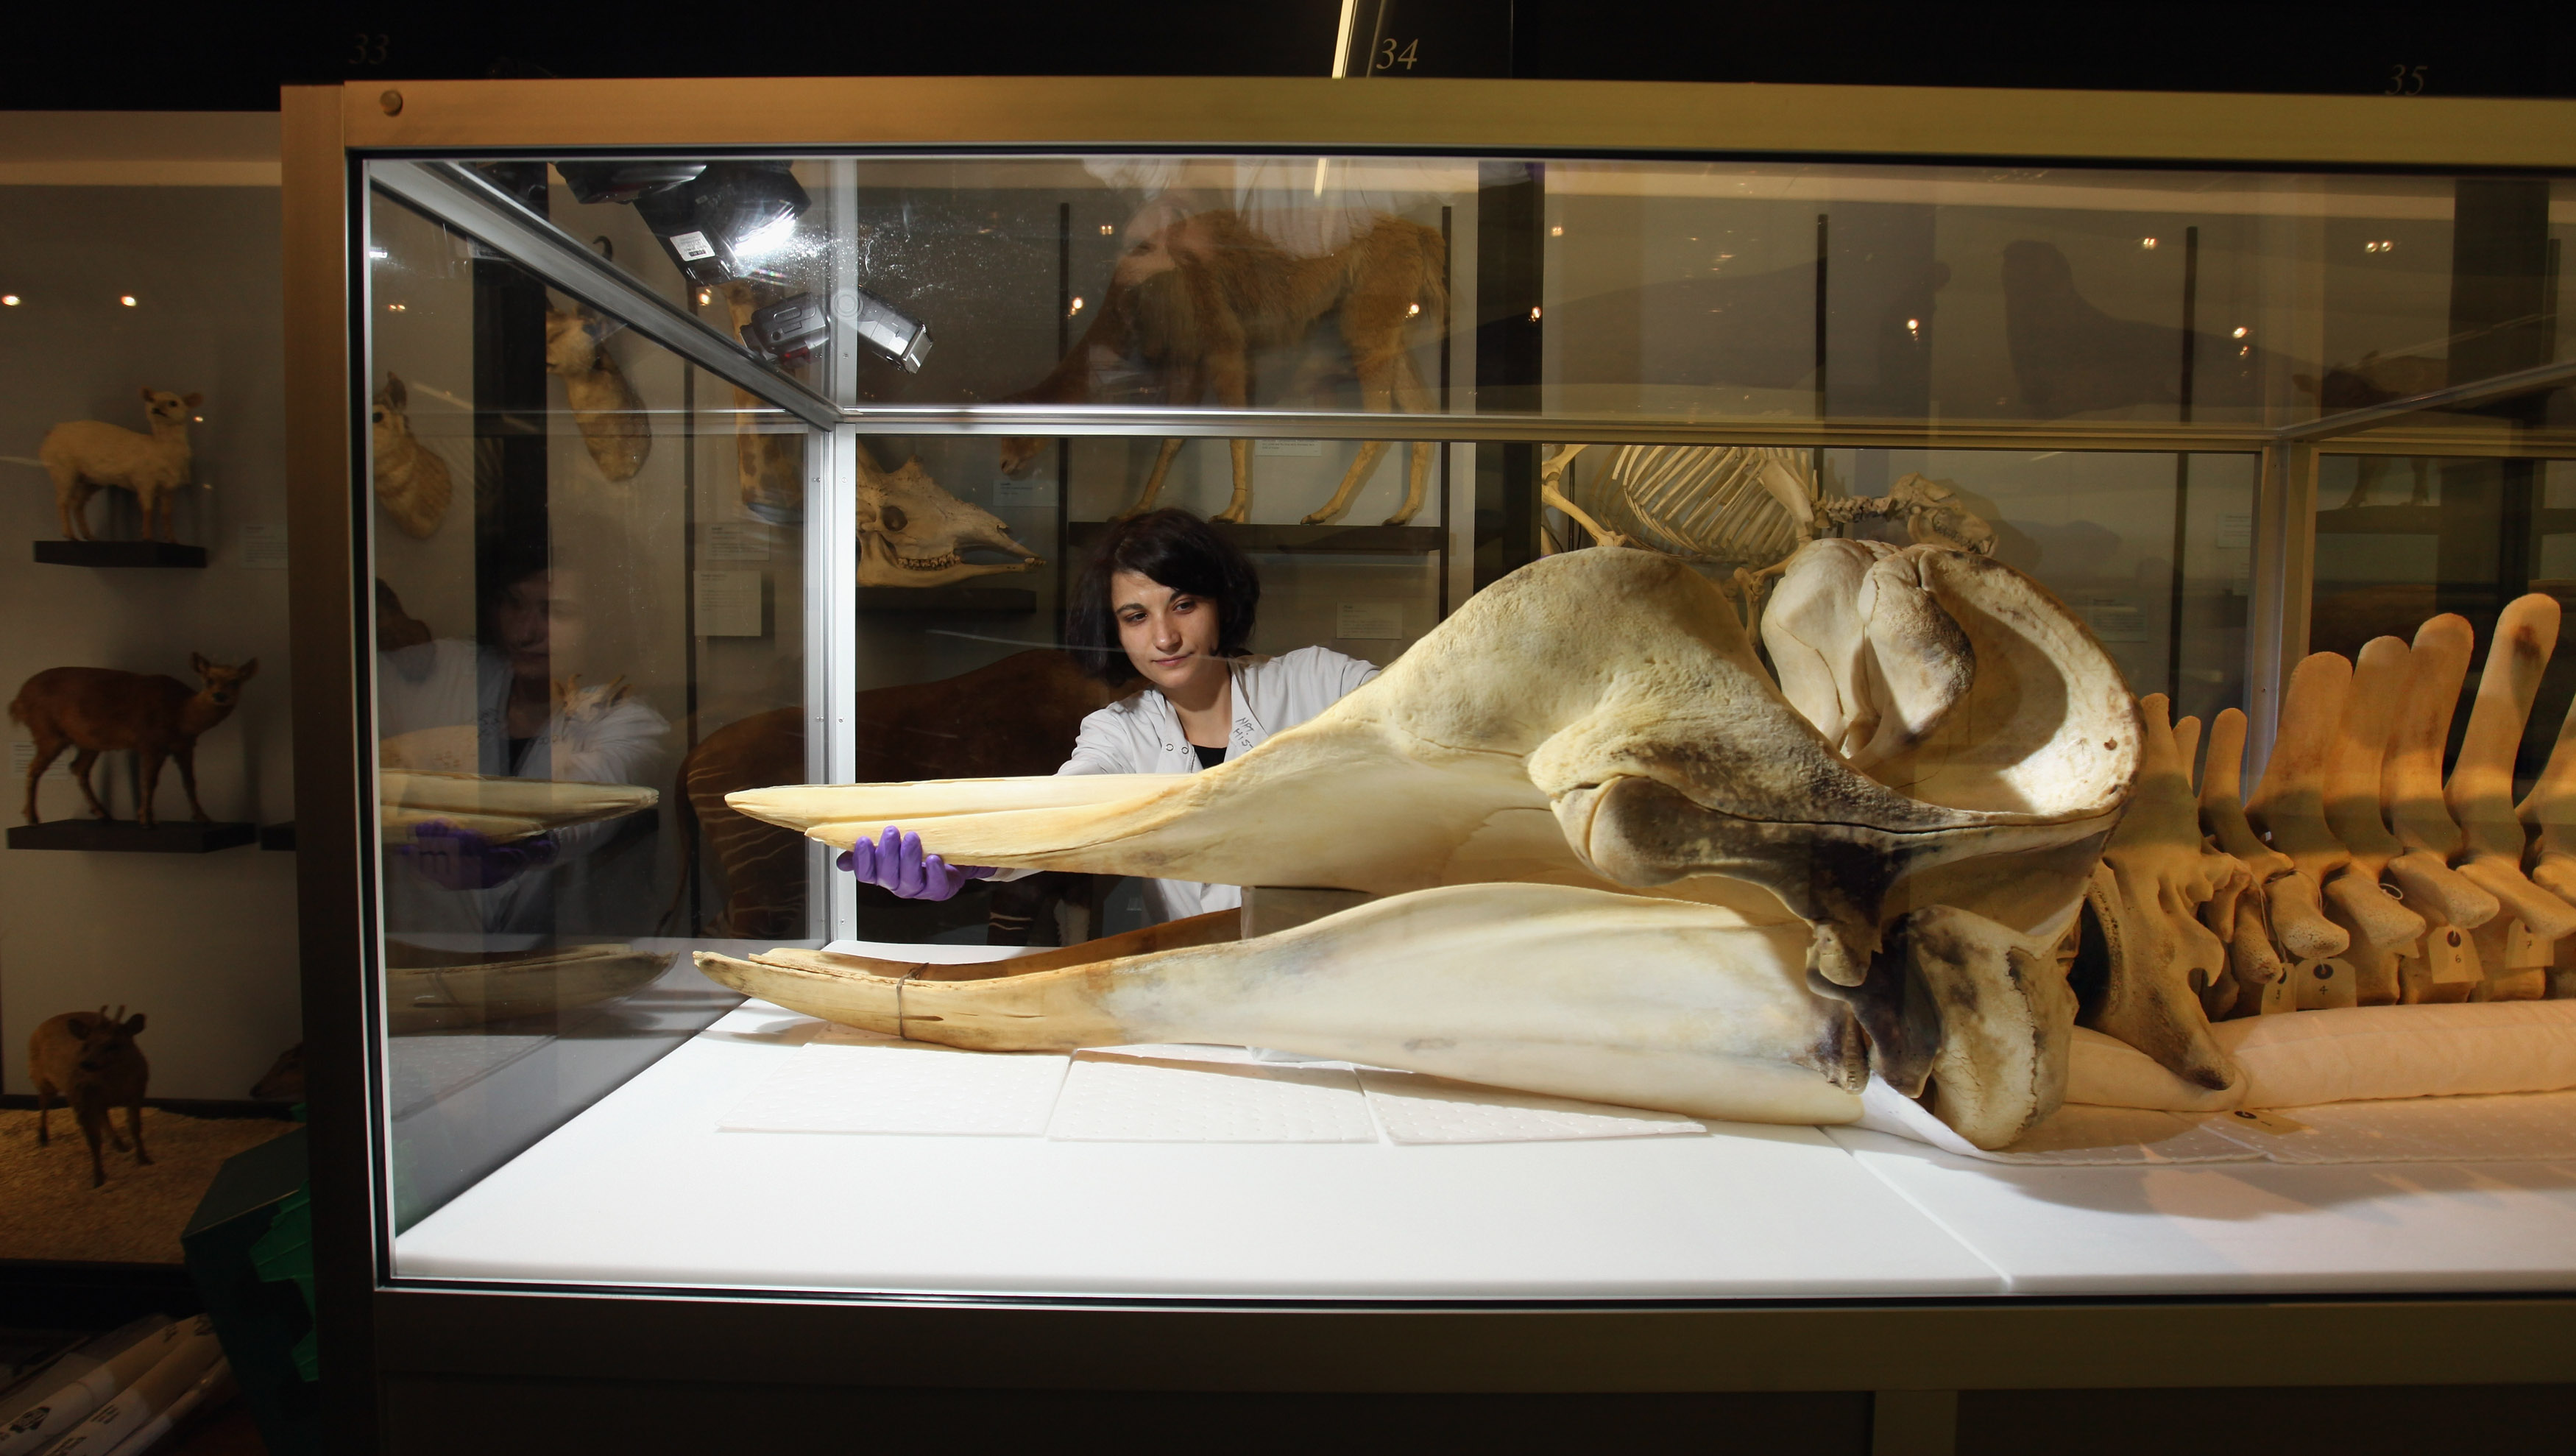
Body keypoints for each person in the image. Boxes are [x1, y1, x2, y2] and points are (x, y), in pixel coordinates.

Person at [844, 508, 1379, 924]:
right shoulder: (1118, 732)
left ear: (1223, 604)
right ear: (1116, 632)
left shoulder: (1321, 682)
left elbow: (1428, 724)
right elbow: (1063, 813)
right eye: (1136, 616)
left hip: (1340, 978)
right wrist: (962, 862)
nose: (1164, 637)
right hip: (1188, 987)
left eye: (1185, 604)